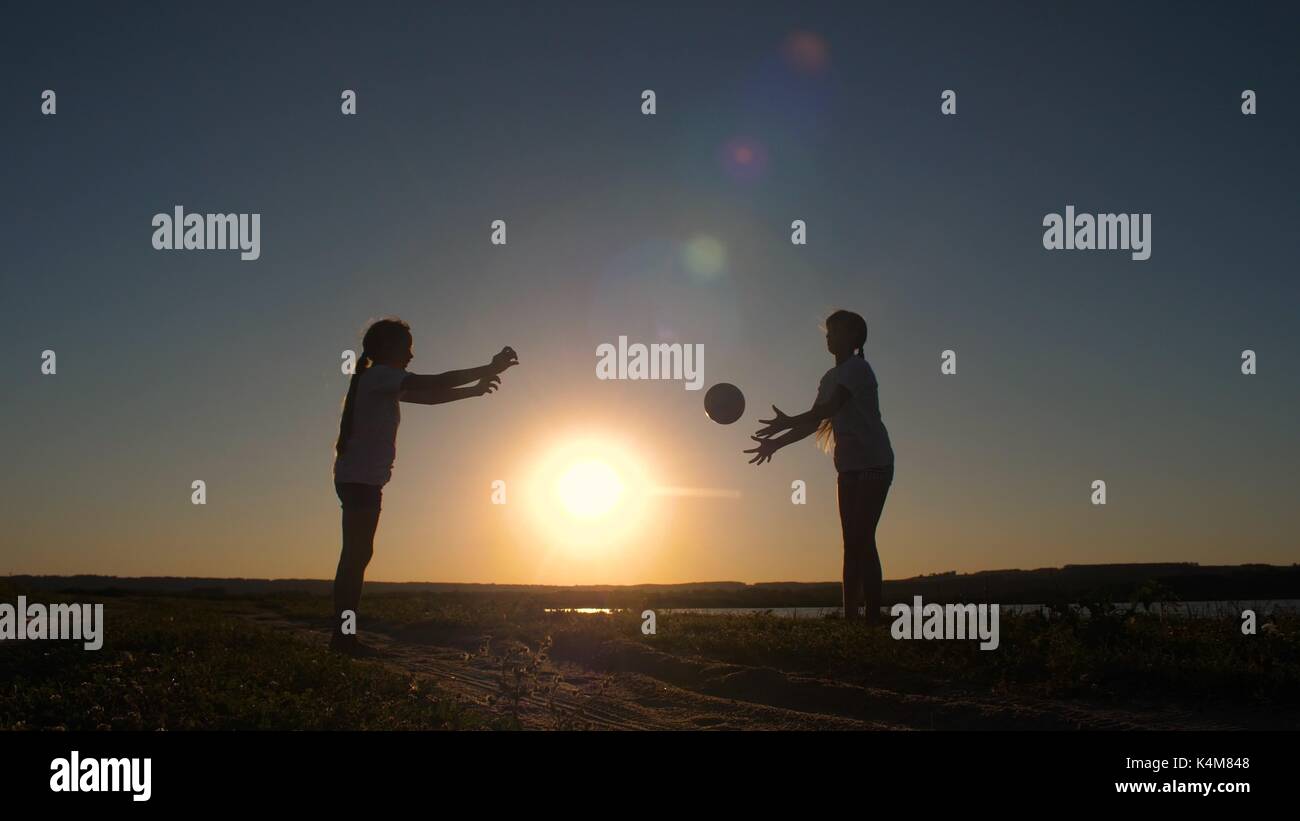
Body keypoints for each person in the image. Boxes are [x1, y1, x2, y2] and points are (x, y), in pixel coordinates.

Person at [331, 317, 518, 655]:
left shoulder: (379, 380)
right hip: (359, 479)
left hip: (360, 478)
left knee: (357, 556)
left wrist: (474, 391)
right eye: (408, 346)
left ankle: (344, 637)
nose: (412, 354)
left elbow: (430, 397)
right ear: (389, 349)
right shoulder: (381, 376)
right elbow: (435, 381)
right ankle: (343, 639)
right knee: (355, 558)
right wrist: (488, 367)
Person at [745, 309, 894, 624]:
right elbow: (816, 422)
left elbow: (830, 408)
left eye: (835, 331)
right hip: (848, 467)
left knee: (863, 537)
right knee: (850, 541)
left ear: (853, 337)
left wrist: (786, 421)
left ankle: (872, 618)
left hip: (875, 461)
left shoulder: (858, 368)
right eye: (827, 332)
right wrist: (776, 443)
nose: (829, 336)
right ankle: (851, 618)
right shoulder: (828, 377)